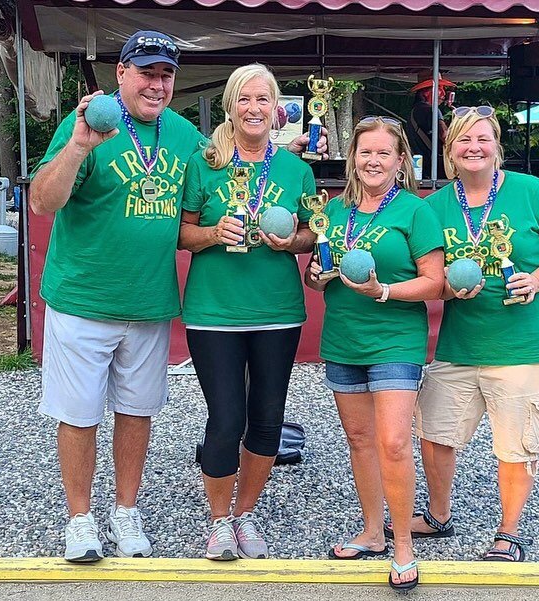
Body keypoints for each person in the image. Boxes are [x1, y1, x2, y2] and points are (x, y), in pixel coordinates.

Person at [30, 31, 325, 563]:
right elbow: (43, 201)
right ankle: (79, 519)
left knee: (136, 412)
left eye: (166, 74)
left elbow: (232, 161)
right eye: (146, 72)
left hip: (150, 302)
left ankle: (125, 510)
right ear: (120, 73)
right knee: (78, 413)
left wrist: (281, 152)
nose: (156, 83)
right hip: (82, 296)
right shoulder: (88, 127)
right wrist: (77, 146)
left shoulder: (187, 136)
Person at [411, 105, 539, 562]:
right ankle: (438, 514)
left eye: (483, 139)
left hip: (526, 342)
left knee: (515, 443)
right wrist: (447, 286)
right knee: (435, 431)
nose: (474, 148)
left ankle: (507, 533)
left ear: (497, 147)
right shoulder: (433, 207)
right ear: (449, 151)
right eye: (464, 141)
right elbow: (426, 272)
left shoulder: (530, 192)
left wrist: (537, 279)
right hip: (462, 343)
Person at [178, 63, 317, 561]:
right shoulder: (206, 162)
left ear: (276, 109)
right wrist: (215, 234)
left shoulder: (295, 169)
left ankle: (246, 514)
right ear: (231, 107)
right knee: (226, 418)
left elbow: (311, 233)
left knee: (266, 419)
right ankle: (218, 522)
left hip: (277, 311)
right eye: (245, 99)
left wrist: (291, 242)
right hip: (213, 312)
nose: (255, 109)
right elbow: (181, 233)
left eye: (264, 100)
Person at [305, 116, 445, 590]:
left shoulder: (414, 211)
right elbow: (317, 269)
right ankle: (372, 532)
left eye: (384, 153)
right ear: (353, 158)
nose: (373, 160)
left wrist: (384, 290)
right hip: (344, 338)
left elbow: (436, 281)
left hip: (395, 340)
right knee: (360, 440)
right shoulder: (335, 211)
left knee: (393, 442)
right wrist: (315, 275)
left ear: (400, 160)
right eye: (365, 152)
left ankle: (402, 543)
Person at [405, 73, 455, 180]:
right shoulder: (432, 111)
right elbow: (447, 137)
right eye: (439, 88)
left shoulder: (413, 112)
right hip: (437, 172)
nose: (443, 93)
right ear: (426, 92)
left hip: (421, 170)